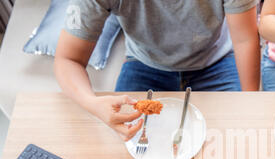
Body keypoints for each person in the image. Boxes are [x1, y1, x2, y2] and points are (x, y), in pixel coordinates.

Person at [54, 0, 260, 141]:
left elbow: (245, 39)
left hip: (217, 60)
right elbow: (68, 59)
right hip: (144, 63)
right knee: (129, 147)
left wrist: (250, 102)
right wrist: (93, 103)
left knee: (239, 139)